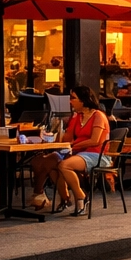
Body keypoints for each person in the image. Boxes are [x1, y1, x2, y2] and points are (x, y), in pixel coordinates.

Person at [49, 86, 110, 216]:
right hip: (79, 153)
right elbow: (67, 138)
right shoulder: (78, 116)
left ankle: (81, 197)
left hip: (97, 154)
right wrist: (59, 127)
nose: (70, 101)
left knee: (64, 165)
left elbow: (95, 141)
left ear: (83, 100)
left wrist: (74, 145)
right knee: (52, 164)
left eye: (73, 98)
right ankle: (65, 198)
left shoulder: (98, 115)